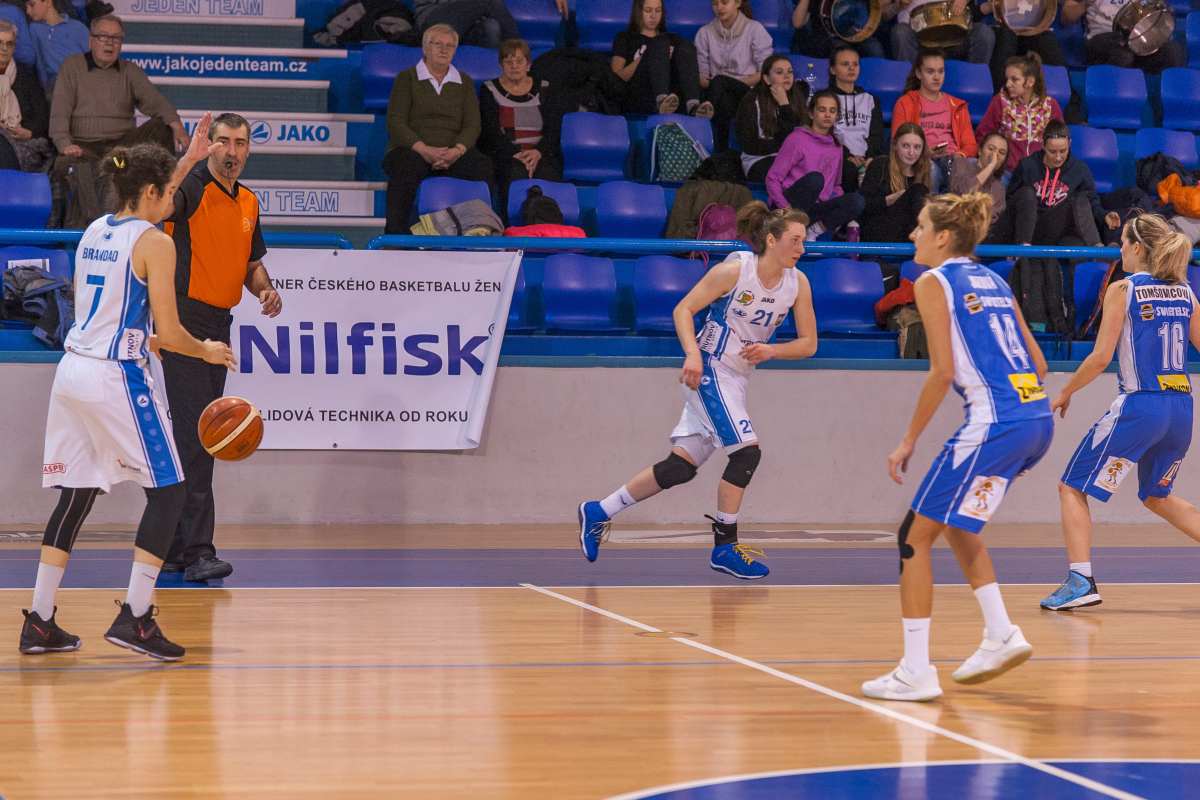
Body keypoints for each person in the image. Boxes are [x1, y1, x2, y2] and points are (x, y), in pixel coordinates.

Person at [19, 117, 236, 662]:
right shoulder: (155, 244)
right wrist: (207, 350)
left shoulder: (97, 229)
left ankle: (40, 620)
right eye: (170, 192)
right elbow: (175, 332)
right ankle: (136, 616)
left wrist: (187, 159)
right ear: (151, 192)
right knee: (170, 491)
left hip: (73, 370)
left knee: (77, 494)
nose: (175, 199)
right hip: (116, 377)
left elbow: (111, 311)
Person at [863, 191, 1052, 702]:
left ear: (943, 237)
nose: (913, 235)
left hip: (995, 424)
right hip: (1033, 419)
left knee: (912, 537)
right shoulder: (995, 279)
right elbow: (1037, 363)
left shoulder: (933, 281)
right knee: (959, 525)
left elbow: (942, 372)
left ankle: (914, 671)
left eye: (920, 226)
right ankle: (1001, 633)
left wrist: (907, 440)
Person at [577, 202, 818, 580]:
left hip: (738, 378)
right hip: (710, 370)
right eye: (795, 240)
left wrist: (773, 350)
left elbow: (809, 344)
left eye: (804, 241)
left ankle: (598, 511)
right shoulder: (736, 271)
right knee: (747, 454)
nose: (802, 248)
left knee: (680, 468)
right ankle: (725, 546)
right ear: (772, 240)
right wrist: (692, 354)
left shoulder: (797, 283)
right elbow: (683, 310)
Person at [1042, 214, 1200, 611]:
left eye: (1122, 243)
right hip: (1181, 407)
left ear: (1137, 247)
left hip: (1141, 405)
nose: (1120, 250)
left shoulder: (1124, 289)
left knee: (1071, 487)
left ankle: (1080, 582)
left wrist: (1066, 391)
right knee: (1157, 496)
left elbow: (1100, 358)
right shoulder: (1184, 291)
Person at [159, 112, 282, 582]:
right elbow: (157, 205)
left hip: (220, 324)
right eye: (224, 142)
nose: (232, 151)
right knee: (199, 435)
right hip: (185, 322)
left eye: (241, 143)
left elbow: (252, 265)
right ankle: (197, 551)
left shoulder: (249, 200)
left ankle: (174, 546)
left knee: (197, 435)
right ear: (209, 145)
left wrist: (266, 289)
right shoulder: (191, 188)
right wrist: (186, 160)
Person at [383, 23, 494, 233]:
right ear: (425, 48)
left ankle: (478, 231)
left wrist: (457, 150)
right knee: (405, 167)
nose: (444, 50)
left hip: (454, 152)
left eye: (450, 46)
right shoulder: (407, 78)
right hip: (414, 150)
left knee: (482, 166)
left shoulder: (464, 81)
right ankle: (395, 237)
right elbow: (396, 121)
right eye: (438, 44)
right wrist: (424, 150)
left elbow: (473, 124)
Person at [49, 15, 187, 160]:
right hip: (84, 146)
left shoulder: (130, 70)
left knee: (161, 127)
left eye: (116, 38)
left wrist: (177, 126)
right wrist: (64, 145)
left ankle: (170, 175)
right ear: (91, 41)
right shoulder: (72, 66)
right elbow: (60, 112)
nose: (110, 43)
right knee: (68, 163)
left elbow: (156, 102)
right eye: (103, 37)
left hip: (123, 147)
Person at [478, 38, 563, 215]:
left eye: (519, 61)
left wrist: (537, 152)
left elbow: (554, 128)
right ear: (501, 65)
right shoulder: (489, 89)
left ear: (528, 64)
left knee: (547, 175)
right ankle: (513, 228)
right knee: (514, 175)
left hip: (541, 152)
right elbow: (490, 131)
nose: (514, 66)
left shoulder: (545, 87)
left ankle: (547, 228)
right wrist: (517, 154)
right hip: (507, 153)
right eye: (508, 61)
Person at [767, 89, 865, 241]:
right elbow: (772, 178)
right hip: (788, 207)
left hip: (812, 210)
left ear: (837, 116)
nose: (827, 115)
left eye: (832, 111)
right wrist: (785, 207)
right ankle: (794, 227)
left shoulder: (836, 145)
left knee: (857, 201)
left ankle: (813, 232)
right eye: (822, 110)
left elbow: (836, 185)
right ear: (811, 114)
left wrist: (836, 208)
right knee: (815, 179)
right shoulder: (797, 139)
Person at [892, 49, 977, 191]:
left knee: (972, 164)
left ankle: (962, 205)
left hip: (952, 158)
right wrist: (924, 152)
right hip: (921, 158)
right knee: (931, 170)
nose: (937, 77)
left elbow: (971, 145)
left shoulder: (957, 105)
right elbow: (898, 141)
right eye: (930, 72)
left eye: (941, 71)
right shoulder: (905, 103)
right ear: (919, 73)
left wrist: (960, 155)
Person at [610, 0, 712, 118]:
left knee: (685, 46)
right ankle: (661, 101)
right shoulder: (625, 37)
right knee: (659, 43)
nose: (653, 16)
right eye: (648, 10)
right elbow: (615, 79)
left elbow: (687, 71)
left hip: (673, 96)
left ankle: (693, 107)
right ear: (638, 12)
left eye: (658, 11)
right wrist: (647, 56)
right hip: (640, 94)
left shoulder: (672, 39)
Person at [694, 0, 773, 152]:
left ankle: (705, 113)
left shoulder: (754, 29)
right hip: (719, 93)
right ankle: (722, 153)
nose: (719, 7)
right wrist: (715, 84)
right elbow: (702, 76)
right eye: (715, 4)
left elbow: (766, 71)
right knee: (723, 99)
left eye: (724, 2)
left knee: (720, 81)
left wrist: (730, 82)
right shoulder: (704, 32)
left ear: (737, 3)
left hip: (747, 91)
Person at [975, 52, 1062, 173]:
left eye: (1014, 79)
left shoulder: (1050, 105)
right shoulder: (1000, 102)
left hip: (1040, 172)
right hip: (1007, 172)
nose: (1008, 84)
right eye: (1007, 79)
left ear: (1030, 82)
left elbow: (1060, 140)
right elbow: (983, 135)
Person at [734, 53, 808, 183]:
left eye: (790, 72)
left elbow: (797, 137)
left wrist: (784, 104)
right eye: (779, 72)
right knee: (789, 173)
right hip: (758, 159)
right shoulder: (751, 100)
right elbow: (749, 144)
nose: (787, 76)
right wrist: (783, 146)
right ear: (767, 79)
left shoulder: (797, 98)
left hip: (790, 158)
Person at [1062, 0, 1184, 73]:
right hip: (1103, 36)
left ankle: (1161, 101)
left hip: (1139, 36)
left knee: (1171, 52)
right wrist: (1084, 4)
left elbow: (1155, 9)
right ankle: (1112, 100)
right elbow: (1066, 17)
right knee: (1123, 55)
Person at [858, 121, 931, 243]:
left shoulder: (923, 170)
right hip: (877, 231)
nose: (911, 152)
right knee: (918, 190)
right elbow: (862, 206)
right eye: (906, 146)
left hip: (906, 232)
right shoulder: (880, 165)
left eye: (917, 147)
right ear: (895, 145)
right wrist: (888, 200)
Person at [0, 19, 52, 172]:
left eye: (9, 44)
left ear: (15, 47)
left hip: (22, 143)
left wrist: (29, 132)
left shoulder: (27, 75)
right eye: (0, 42)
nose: (4, 48)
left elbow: (42, 116)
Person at [828, 43, 883, 172]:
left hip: (867, 159)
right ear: (833, 69)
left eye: (855, 64)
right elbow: (825, 135)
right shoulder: (824, 99)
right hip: (837, 158)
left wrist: (869, 157)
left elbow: (876, 135)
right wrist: (847, 157)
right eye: (845, 64)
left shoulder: (870, 99)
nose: (851, 68)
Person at [987, 0, 1065, 91]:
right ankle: (1000, 93)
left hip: (1031, 29)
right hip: (1000, 29)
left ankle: (1063, 94)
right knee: (1006, 38)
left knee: (1047, 39)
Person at [889, 0, 993, 65]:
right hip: (916, 38)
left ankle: (975, 86)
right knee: (900, 32)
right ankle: (909, 89)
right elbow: (884, 15)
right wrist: (898, 5)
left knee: (983, 33)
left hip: (954, 35)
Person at [949, 131, 1008, 241]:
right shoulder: (961, 164)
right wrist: (990, 166)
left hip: (984, 236)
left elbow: (992, 220)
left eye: (1002, 152)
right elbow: (965, 193)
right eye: (991, 149)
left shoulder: (999, 187)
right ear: (980, 150)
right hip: (958, 229)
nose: (995, 155)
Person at [25, 0, 89, 92]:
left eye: (32, 5)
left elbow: (91, 57)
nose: (28, 11)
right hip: (56, 83)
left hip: (81, 80)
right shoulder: (34, 28)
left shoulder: (78, 27)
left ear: (48, 2)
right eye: (26, 7)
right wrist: (45, 86)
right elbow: (40, 62)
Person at [788, 0, 886, 58]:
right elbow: (797, 23)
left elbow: (877, 6)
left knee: (875, 49)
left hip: (858, 33)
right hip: (829, 37)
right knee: (843, 53)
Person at [411, 0, 520, 49]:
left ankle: (500, 72)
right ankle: (517, 48)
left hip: (460, 25)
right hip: (431, 19)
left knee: (491, 27)